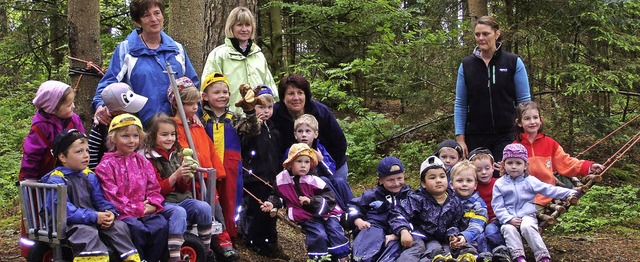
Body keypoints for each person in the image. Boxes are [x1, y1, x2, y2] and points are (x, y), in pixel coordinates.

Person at [93, 0, 200, 126]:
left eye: (157, 13)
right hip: (140, 129)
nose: (154, 19)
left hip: (178, 129)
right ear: (137, 21)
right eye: (146, 15)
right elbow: (109, 84)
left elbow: (193, 84)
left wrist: (195, 113)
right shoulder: (127, 50)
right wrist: (100, 105)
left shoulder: (177, 50)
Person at [167, 77, 240, 261]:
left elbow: (209, 148)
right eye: (189, 104)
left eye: (195, 103)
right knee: (202, 208)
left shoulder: (197, 126)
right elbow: (180, 150)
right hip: (192, 179)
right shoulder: (174, 127)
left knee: (216, 208)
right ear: (177, 104)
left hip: (207, 176)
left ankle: (223, 241)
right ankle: (204, 243)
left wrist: (217, 170)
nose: (194, 107)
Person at [42, 129, 140, 261]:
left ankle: (130, 258)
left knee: (118, 226)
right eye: (79, 152)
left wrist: (109, 212)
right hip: (66, 224)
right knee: (87, 232)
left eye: (87, 151)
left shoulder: (89, 176)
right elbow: (63, 211)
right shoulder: (57, 179)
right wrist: (94, 216)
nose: (86, 155)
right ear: (62, 157)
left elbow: (99, 200)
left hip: (90, 219)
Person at [454, 15, 531, 165]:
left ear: (497, 33)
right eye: (477, 34)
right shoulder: (466, 65)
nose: (481, 38)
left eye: (485, 34)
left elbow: (524, 102)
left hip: (507, 135)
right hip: (476, 136)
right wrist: (460, 139)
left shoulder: (513, 62)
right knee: (479, 180)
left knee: (505, 178)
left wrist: (526, 134)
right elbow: (461, 104)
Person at [140, 114, 217, 262]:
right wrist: (175, 176)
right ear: (152, 136)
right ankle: (174, 256)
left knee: (204, 207)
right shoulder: (148, 158)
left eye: (172, 134)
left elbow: (182, 189)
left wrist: (186, 178)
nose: (170, 138)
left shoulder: (177, 154)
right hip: (161, 203)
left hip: (181, 199)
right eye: (164, 135)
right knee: (179, 212)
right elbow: (155, 190)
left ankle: (206, 250)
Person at [95, 114, 168, 262]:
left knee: (160, 225)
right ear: (113, 138)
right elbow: (112, 197)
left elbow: (153, 187)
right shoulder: (106, 166)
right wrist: (139, 208)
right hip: (124, 214)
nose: (131, 141)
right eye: (125, 136)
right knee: (136, 229)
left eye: (135, 136)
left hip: (146, 211)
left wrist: (153, 204)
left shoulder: (143, 162)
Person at [271, 74, 354, 202]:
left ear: (306, 95)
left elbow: (339, 143)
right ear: (283, 97)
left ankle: (352, 216)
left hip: (331, 163)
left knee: (336, 193)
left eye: (300, 93)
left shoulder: (321, 112)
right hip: (297, 168)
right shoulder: (275, 113)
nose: (296, 98)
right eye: (290, 93)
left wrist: (325, 165)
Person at [260, 143, 350, 261]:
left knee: (335, 231)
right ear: (290, 163)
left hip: (326, 212)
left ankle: (341, 257)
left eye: (307, 162)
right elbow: (279, 197)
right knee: (319, 235)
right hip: (306, 216)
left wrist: (311, 201)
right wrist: (272, 203)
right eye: (299, 161)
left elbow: (329, 197)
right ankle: (319, 259)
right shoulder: (282, 179)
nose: (303, 165)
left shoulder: (314, 179)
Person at [199, 72, 260, 244]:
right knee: (208, 200)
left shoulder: (234, 118)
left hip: (231, 166)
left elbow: (253, 130)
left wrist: (250, 111)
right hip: (208, 167)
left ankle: (230, 237)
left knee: (231, 201)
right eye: (216, 92)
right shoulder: (200, 119)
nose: (222, 96)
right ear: (205, 96)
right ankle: (209, 238)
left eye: (225, 92)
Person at [492, 143, 577, 262]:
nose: (514, 166)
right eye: (509, 163)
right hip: (508, 217)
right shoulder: (499, 184)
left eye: (518, 163)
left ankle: (542, 256)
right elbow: (497, 205)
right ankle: (519, 257)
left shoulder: (530, 181)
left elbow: (548, 189)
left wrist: (568, 193)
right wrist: (508, 218)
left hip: (527, 215)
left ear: (525, 165)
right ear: (503, 165)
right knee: (508, 229)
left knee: (527, 226)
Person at [514, 100, 604, 208]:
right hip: (522, 197)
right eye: (527, 118)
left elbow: (566, 163)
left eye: (535, 117)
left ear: (541, 119)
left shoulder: (550, 144)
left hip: (544, 196)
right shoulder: (515, 148)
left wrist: (588, 166)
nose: (532, 121)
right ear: (519, 122)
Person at [201, 6, 278, 113]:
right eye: (239, 25)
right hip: (229, 118)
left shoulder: (258, 55)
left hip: (257, 118)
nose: (244, 29)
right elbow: (207, 89)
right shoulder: (219, 55)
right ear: (231, 27)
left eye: (247, 25)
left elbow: (269, 87)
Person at [389, 156, 466, 262]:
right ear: (423, 183)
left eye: (442, 176)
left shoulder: (454, 202)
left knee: (451, 249)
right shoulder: (417, 199)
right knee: (419, 248)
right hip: (420, 237)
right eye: (432, 178)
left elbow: (456, 224)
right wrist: (403, 230)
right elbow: (398, 214)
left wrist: (453, 237)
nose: (438, 181)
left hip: (442, 240)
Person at [238, 86, 286, 257]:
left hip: (270, 177)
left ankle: (270, 241)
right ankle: (253, 241)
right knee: (254, 211)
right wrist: (254, 126)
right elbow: (244, 147)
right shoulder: (250, 128)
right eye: (261, 107)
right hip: (253, 177)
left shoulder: (273, 129)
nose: (266, 111)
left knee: (270, 211)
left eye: (269, 107)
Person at [347, 156, 412, 262]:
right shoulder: (372, 195)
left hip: (398, 234)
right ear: (380, 180)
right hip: (373, 230)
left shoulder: (410, 196)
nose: (396, 183)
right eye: (390, 180)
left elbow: (418, 218)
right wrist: (357, 220)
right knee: (371, 235)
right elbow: (352, 207)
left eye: (399, 178)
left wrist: (398, 234)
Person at [20, 80, 85, 181]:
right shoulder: (41, 126)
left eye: (73, 102)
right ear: (52, 109)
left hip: (72, 172)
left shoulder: (74, 120)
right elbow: (32, 154)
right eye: (68, 105)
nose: (73, 106)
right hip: (44, 176)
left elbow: (82, 142)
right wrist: (30, 177)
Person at [287, 114, 352, 209]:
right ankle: (341, 211)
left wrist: (321, 160)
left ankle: (354, 209)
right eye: (300, 131)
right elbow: (289, 172)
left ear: (315, 134)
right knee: (323, 180)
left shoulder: (319, 149)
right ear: (295, 135)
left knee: (339, 181)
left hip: (324, 184)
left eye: (308, 131)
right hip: (305, 186)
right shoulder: (292, 151)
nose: (304, 135)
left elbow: (331, 172)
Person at [88, 82, 148, 170]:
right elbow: (92, 153)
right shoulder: (101, 125)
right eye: (128, 110)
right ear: (114, 112)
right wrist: (94, 177)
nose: (132, 112)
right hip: (107, 173)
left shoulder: (134, 120)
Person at [468, 147, 510, 261]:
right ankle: (485, 254)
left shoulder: (499, 183)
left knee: (490, 230)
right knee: (480, 235)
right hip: (478, 221)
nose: (484, 172)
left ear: (493, 168)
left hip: (496, 219)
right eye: (479, 170)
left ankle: (501, 250)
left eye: (487, 168)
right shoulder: (472, 186)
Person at [448, 160, 486, 262]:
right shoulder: (447, 201)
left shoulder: (478, 205)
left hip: (471, 238)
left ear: (475, 185)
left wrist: (464, 236)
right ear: (451, 184)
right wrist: (453, 236)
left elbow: (477, 225)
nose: (464, 184)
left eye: (469, 181)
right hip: (452, 238)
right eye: (460, 181)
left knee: (481, 237)